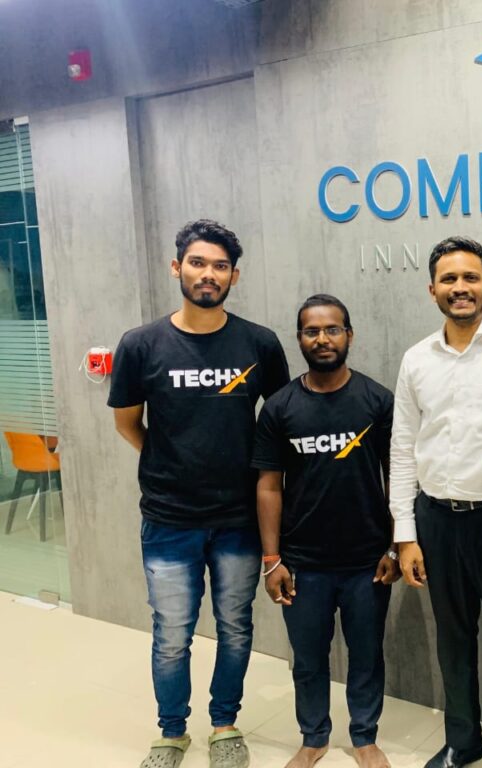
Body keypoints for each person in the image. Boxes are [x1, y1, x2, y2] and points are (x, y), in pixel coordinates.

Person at [109, 219, 290, 768]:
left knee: (235, 626)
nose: (208, 274)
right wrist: (170, 461)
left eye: (219, 266)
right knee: (171, 633)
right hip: (168, 518)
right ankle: (171, 732)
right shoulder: (140, 344)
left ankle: (225, 725)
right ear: (177, 267)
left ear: (234, 275)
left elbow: (280, 423)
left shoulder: (259, 343)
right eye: (197, 263)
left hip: (239, 518)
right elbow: (127, 423)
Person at [390, 236, 482, 768]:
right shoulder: (416, 359)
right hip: (436, 521)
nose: (460, 287)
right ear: (432, 290)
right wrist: (405, 534)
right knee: (452, 641)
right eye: (449, 279)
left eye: (470, 277)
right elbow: (403, 447)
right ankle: (463, 741)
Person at [252, 294, 397, 768]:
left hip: (367, 562)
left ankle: (364, 737)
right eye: (312, 331)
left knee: (366, 655)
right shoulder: (279, 407)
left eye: (332, 329)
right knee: (308, 658)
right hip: (303, 563)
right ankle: (313, 737)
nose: (322, 339)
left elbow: (397, 476)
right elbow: (269, 486)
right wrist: (271, 559)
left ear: (349, 335)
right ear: (299, 339)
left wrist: (394, 547)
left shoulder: (377, 401)